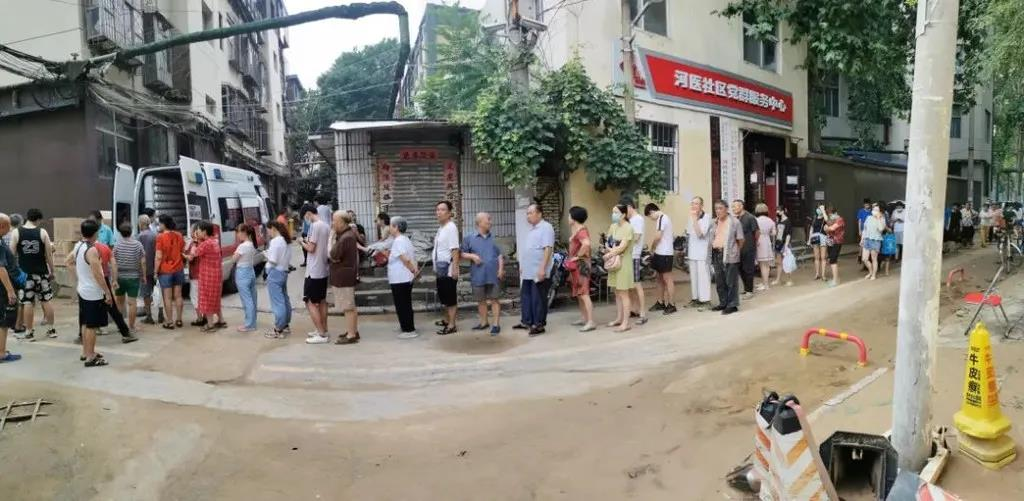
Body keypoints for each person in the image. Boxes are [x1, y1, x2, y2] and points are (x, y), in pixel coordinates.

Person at [69, 219, 112, 367]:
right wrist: (107, 292)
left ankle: (85, 352)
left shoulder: (78, 246)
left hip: (83, 290)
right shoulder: (92, 250)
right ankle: (91, 356)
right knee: (92, 326)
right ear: (96, 233)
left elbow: (68, 261)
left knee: (85, 322)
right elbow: (98, 274)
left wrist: (79, 278)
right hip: (93, 292)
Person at [10, 208, 56, 340]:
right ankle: (51, 330)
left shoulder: (16, 232)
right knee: (46, 300)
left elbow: (11, 255)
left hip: (25, 275)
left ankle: (29, 332)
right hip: (42, 273)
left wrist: (14, 272)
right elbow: (48, 255)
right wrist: (52, 271)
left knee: (27, 302)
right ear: (38, 219)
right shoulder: (42, 232)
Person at [514, 203, 555, 336]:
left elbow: (547, 248)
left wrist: (542, 268)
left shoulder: (546, 227)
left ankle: (539, 325)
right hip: (528, 271)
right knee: (526, 296)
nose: (528, 216)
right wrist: (523, 266)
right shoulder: (532, 230)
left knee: (538, 298)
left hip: (538, 270)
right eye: (527, 213)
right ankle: (526, 321)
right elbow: (529, 250)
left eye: (531, 213)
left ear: (539, 214)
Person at [461, 212, 504, 336]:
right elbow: (461, 253)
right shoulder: (469, 238)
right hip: (478, 274)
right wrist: (472, 256)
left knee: (495, 299)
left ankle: (496, 324)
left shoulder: (494, 238)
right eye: (488, 220)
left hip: (493, 275)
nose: (490, 222)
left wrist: (501, 269)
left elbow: (499, 255)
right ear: (479, 222)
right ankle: (484, 322)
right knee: (481, 300)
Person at [95, 236, 137, 343]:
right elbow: (113, 264)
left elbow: (69, 261)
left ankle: (85, 332)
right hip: (104, 278)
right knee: (111, 306)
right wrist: (114, 279)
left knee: (90, 306)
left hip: (90, 280)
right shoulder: (105, 248)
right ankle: (125, 332)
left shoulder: (82, 248)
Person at [300, 204, 332, 344]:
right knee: (322, 301)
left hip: (313, 270)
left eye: (304, 217)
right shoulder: (325, 226)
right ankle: (323, 329)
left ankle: (321, 333)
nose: (305, 220)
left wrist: (301, 242)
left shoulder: (315, 226)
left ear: (308, 213)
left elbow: (311, 248)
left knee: (310, 302)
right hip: (323, 268)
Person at [185, 221, 225, 332]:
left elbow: (193, 254)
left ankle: (210, 325)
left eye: (198, 231)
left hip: (207, 276)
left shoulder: (206, 244)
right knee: (215, 299)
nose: (197, 233)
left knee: (206, 299)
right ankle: (221, 320)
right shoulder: (214, 241)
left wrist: (194, 241)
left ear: (204, 232)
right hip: (216, 275)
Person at [329, 211, 360, 345]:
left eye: (334, 221)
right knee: (350, 306)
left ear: (341, 222)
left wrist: (331, 237)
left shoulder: (346, 237)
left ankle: (351, 334)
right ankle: (352, 331)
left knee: (348, 307)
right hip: (345, 274)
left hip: (344, 276)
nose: (333, 224)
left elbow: (333, 255)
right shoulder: (346, 235)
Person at [708, 200, 744, 315]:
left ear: (726, 209)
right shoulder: (714, 222)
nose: (718, 211)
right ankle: (723, 302)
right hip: (716, 253)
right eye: (716, 209)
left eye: (720, 208)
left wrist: (735, 251)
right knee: (719, 281)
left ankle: (732, 305)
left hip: (729, 254)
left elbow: (741, 240)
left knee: (731, 281)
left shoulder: (735, 222)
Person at [605, 204, 636, 332]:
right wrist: (611, 250)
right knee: (617, 292)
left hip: (624, 263)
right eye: (613, 212)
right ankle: (619, 318)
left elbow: (622, 246)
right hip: (614, 262)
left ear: (623, 215)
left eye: (616, 212)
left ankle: (626, 323)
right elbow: (607, 242)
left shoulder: (628, 228)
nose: (614, 215)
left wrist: (611, 252)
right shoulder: (613, 226)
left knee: (623, 293)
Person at [387, 217, 419, 338]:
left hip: (400, 278)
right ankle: (406, 326)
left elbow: (405, 259)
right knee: (404, 303)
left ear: (396, 227)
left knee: (402, 304)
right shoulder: (405, 239)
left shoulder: (399, 241)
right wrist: (414, 271)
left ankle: (409, 330)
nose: (389, 228)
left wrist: (413, 271)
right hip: (404, 278)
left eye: (391, 226)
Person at [433, 201, 461, 336]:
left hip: (448, 269)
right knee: (444, 296)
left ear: (449, 213)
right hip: (441, 268)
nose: (439, 212)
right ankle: (446, 320)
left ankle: (452, 325)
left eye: (442, 210)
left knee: (450, 298)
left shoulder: (451, 227)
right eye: (437, 210)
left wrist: (455, 268)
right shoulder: (441, 228)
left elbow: (455, 249)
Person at [112, 222, 146, 333]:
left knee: (119, 303)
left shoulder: (117, 245)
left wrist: (114, 278)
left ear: (120, 233)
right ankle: (131, 326)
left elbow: (113, 263)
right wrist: (143, 275)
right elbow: (143, 262)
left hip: (120, 277)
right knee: (132, 303)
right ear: (131, 231)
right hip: (133, 277)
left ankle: (120, 326)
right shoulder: (137, 245)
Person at [566, 206, 595, 332]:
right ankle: (584, 318)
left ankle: (590, 321)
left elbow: (586, 244)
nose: (568, 218)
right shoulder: (577, 230)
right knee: (579, 294)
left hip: (581, 266)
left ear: (574, 218)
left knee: (584, 293)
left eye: (569, 215)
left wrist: (577, 256)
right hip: (577, 266)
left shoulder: (581, 231)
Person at [154, 215, 185, 330]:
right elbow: (182, 250)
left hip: (165, 270)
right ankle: (179, 319)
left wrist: (155, 271)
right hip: (178, 268)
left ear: (163, 224)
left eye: (159, 223)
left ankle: (170, 321)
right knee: (178, 296)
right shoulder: (179, 235)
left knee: (167, 297)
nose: (158, 226)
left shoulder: (160, 237)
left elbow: (158, 256)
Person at [644, 203, 676, 315]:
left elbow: (658, 237)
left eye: (649, 216)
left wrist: (652, 248)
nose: (651, 219)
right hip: (660, 253)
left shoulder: (662, 218)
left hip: (665, 253)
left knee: (667, 279)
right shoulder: (660, 219)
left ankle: (671, 304)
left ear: (652, 212)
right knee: (659, 278)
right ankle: (660, 302)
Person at [0, 214, 22, 363]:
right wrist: (10, 290)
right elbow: (1, 268)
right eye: (8, 226)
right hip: (2, 288)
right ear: (2, 226)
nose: (10, 229)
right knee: (4, 321)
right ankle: (1, 353)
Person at [264, 221, 292, 339]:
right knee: (284, 299)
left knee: (277, 302)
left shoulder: (275, 241)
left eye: (268, 230)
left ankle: (278, 328)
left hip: (275, 272)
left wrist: (266, 255)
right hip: (283, 271)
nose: (268, 233)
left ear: (273, 228)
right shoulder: (286, 240)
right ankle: (285, 325)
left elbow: (273, 260)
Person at [621, 199, 647, 324]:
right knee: (630, 285)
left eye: (624, 209)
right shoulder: (631, 220)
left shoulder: (638, 219)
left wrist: (622, 243)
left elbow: (636, 237)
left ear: (629, 206)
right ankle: (634, 309)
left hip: (634, 255)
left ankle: (642, 313)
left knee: (637, 284)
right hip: (628, 256)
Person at [685, 197, 713, 308]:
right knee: (694, 277)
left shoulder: (707, 217)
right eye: (692, 203)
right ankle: (695, 298)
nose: (693, 206)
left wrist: (695, 219)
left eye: (696, 203)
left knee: (703, 277)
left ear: (701, 205)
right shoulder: (691, 217)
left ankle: (705, 300)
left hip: (702, 252)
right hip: (692, 251)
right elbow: (688, 233)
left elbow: (700, 234)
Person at [231, 223, 259, 332]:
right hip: (251, 271)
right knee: (252, 298)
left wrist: (234, 254)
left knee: (247, 300)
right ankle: (252, 322)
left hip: (242, 273)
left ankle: (249, 325)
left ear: (244, 232)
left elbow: (234, 259)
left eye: (238, 232)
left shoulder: (242, 246)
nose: (237, 235)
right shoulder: (252, 244)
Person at [136, 215, 162, 325]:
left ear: (141, 224)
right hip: (156, 268)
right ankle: (161, 314)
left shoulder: (139, 237)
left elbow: (138, 254)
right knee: (159, 291)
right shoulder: (155, 235)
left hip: (144, 269)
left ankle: (149, 316)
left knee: (146, 293)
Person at [732, 200, 758, 298]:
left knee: (748, 269)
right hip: (739, 248)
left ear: (741, 206)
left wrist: (753, 244)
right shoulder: (736, 218)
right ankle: (746, 289)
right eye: (732, 207)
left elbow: (757, 232)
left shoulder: (750, 217)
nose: (733, 209)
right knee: (741, 269)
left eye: (735, 206)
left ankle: (749, 291)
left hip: (748, 247)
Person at [753, 203, 776, 291]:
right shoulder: (770, 220)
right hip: (767, 241)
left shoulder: (755, 220)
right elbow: (774, 233)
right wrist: (767, 233)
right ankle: (764, 283)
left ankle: (765, 285)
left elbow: (754, 232)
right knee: (766, 264)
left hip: (759, 241)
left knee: (762, 265)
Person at [861, 206, 885, 280]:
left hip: (875, 240)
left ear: (880, 212)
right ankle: (870, 272)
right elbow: (865, 229)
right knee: (864, 259)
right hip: (867, 239)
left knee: (874, 258)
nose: (874, 211)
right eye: (873, 209)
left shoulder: (882, 219)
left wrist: (878, 218)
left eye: (876, 210)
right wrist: (862, 239)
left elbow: (881, 229)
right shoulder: (868, 218)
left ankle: (874, 275)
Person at [824, 206, 846, 287]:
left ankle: (835, 280)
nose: (830, 216)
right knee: (832, 260)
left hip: (837, 242)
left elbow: (832, 228)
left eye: (831, 214)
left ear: (835, 213)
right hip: (830, 242)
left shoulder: (840, 219)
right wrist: (827, 228)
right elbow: (826, 227)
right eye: (829, 215)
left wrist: (827, 228)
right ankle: (836, 278)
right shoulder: (831, 220)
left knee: (833, 260)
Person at [772, 207, 794, 286]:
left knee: (787, 262)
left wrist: (786, 245)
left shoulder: (787, 221)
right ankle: (778, 279)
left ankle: (790, 280)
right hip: (778, 243)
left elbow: (788, 234)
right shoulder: (778, 221)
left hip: (784, 243)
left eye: (778, 211)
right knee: (779, 262)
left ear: (782, 211)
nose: (777, 212)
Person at [809, 204, 829, 280]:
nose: (818, 209)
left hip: (823, 237)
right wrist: (809, 239)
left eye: (820, 208)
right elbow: (811, 229)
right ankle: (817, 273)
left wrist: (823, 210)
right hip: (814, 238)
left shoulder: (825, 217)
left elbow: (827, 220)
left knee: (823, 257)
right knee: (816, 257)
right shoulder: (815, 218)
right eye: (818, 208)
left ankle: (823, 275)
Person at [856, 198, 872, 267]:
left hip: (870, 231)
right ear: (863, 204)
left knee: (867, 245)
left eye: (868, 204)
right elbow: (859, 221)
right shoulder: (861, 211)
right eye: (865, 204)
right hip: (863, 230)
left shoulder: (871, 211)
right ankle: (860, 256)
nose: (866, 205)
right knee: (862, 244)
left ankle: (865, 258)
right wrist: (859, 230)